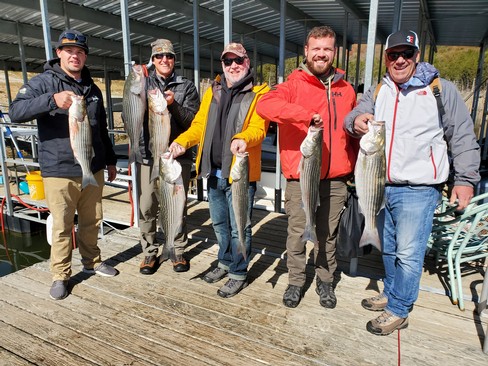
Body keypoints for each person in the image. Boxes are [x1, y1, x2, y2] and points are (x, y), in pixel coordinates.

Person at [344, 30, 480, 335]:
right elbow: (355, 115)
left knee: (408, 252)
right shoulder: (380, 89)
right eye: (394, 54)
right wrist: (356, 121)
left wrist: (466, 180)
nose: (400, 59)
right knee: (389, 249)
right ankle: (392, 293)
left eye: (407, 53)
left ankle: (399, 308)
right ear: (387, 58)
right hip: (381, 184)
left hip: (418, 189)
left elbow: (462, 136)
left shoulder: (440, 89)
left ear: (417, 56)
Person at [9, 29, 119, 300]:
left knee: (93, 220)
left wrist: (111, 160)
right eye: (69, 51)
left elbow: (101, 128)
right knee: (61, 225)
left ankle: (92, 262)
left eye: (80, 51)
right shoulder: (43, 83)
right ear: (59, 53)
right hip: (58, 170)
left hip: (92, 167)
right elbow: (16, 111)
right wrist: (51, 100)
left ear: (85, 56)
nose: (75, 55)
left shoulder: (92, 88)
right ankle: (61, 275)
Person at [256, 26, 358, 309]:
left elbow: (351, 133)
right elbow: (265, 105)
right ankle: (296, 281)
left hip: (336, 179)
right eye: (316, 49)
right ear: (306, 51)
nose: (321, 54)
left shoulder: (346, 89)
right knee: (298, 233)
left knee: (328, 235)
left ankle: (325, 280)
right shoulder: (292, 85)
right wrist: (304, 117)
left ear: (334, 52)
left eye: (327, 49)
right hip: (300, 178)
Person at [169, 42, 270, 298]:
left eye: (238, 60)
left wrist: (244, 138)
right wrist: (182, 142)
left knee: (240, 227)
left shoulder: (259, 93)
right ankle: (224, 261)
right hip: (212, 172)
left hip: (239, 175)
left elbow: (259, 128)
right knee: (220, 224)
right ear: (222, 66)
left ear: (247, 63)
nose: (233, 66)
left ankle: (238, 271)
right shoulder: (211, 92)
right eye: (228, 61)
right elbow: (199, 125)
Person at [135, 39, 200, 275]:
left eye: (169, 56)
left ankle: (177, 249)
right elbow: (132, 112)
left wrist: (172, 105)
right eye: (159, 56)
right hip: (148, 156)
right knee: (147, 205)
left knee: (177, 204)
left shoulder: (187, 87)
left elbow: (192, 122)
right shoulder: (143, 83)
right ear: (152, 61)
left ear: (174, 60)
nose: (165, 60)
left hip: (177, 157)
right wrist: (137, 78)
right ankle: (150, 253)